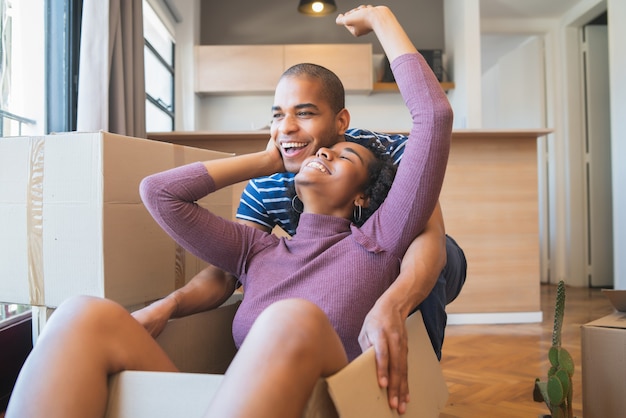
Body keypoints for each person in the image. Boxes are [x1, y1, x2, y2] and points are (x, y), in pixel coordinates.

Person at [7, 5, 456, 418]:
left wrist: (381, 20)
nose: (320, 151)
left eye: (343, 157)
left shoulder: (377, 236)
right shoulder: (257, 247)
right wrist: (263, 160)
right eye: (278, 116)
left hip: (338, 384)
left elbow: (432, 120)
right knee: (82, 314)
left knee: (294, 315)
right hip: (237, 397)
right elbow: (158, 194)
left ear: (363, 194)